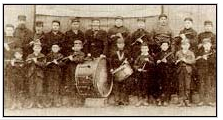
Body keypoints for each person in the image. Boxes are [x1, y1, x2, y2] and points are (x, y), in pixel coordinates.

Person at [63, 39, 85, 107]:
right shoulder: (71, 53)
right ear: (73, 47)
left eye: (78, 46)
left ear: (81, 47)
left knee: (77, 86)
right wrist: (67, 59)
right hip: (69, 72)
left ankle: (78, 102)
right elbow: (65, 62)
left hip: (77, 72)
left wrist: (72, 59)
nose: (77, 47)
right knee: (70, 86)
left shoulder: (82, 54)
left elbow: (80, 60)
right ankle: (71, 101)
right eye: (75, 46)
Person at [110, 38, 130, 106]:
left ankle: (124, 100)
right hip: (116, 70)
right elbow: (110, 61)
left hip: (124, 71)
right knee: (116, 86)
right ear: (117, 45)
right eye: (119, 44)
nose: (120, 45)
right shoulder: (114, 53)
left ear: (124, 45)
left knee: (124, 86)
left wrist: (128, 62)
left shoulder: (127, 52)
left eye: (122, 44)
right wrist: (112, 68)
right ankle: (117, 100)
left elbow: (130, 60)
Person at [196, 40, 216, 106]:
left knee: (209, 86)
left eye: (208, 44)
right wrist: (202, 59)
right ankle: (201, 101)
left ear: (210, 45)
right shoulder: (199, 52)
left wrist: (207, 59)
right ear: (203, 45)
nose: (207, 46)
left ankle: (209, 101)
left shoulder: (213, 52)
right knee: (201, 86)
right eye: (205, 44)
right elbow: (196, 62)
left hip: (210, 72)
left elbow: (215, 62)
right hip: (201, 72)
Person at [175, 41, 195, 107]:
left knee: (187, 85)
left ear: (189, 45)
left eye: (187, 45)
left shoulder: (191, 53)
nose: (185, 46)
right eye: (184, 45)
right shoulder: (178, 52)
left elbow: (193, 61)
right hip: (180, 70)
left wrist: (186, 61)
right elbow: (174, 61)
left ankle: (187, 100)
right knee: (181, 85)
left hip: (187, 70)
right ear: (181, 46)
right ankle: (181, 101)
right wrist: (177, 61)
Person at [155, 41, 175, 106]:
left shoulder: (170, 54)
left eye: (166, 45)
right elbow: (154, 62)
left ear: (168, 46)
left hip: (167, 72)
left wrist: (167, 62)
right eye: (163, 45)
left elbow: (173, 63)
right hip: (159, 72)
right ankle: (160, 100)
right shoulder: (158, 54)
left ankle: (166, 100)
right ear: (161, 46)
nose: (164, 47)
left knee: (166, 86)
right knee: (159, 86)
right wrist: (157, 61)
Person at [26, 43, 46, 108]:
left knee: (39, 89)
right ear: (33, 48)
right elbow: (26, 64)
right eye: (35, 48)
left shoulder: (42, 56)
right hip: (31, 74)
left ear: (40, 49)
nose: (37, 49)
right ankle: (32, 102)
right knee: (31, 89)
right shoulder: (29, 55)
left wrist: (36, 61)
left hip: (39, 75)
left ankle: (38, 103)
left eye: (38, 48)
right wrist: (29, 61)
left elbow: (44, 65)